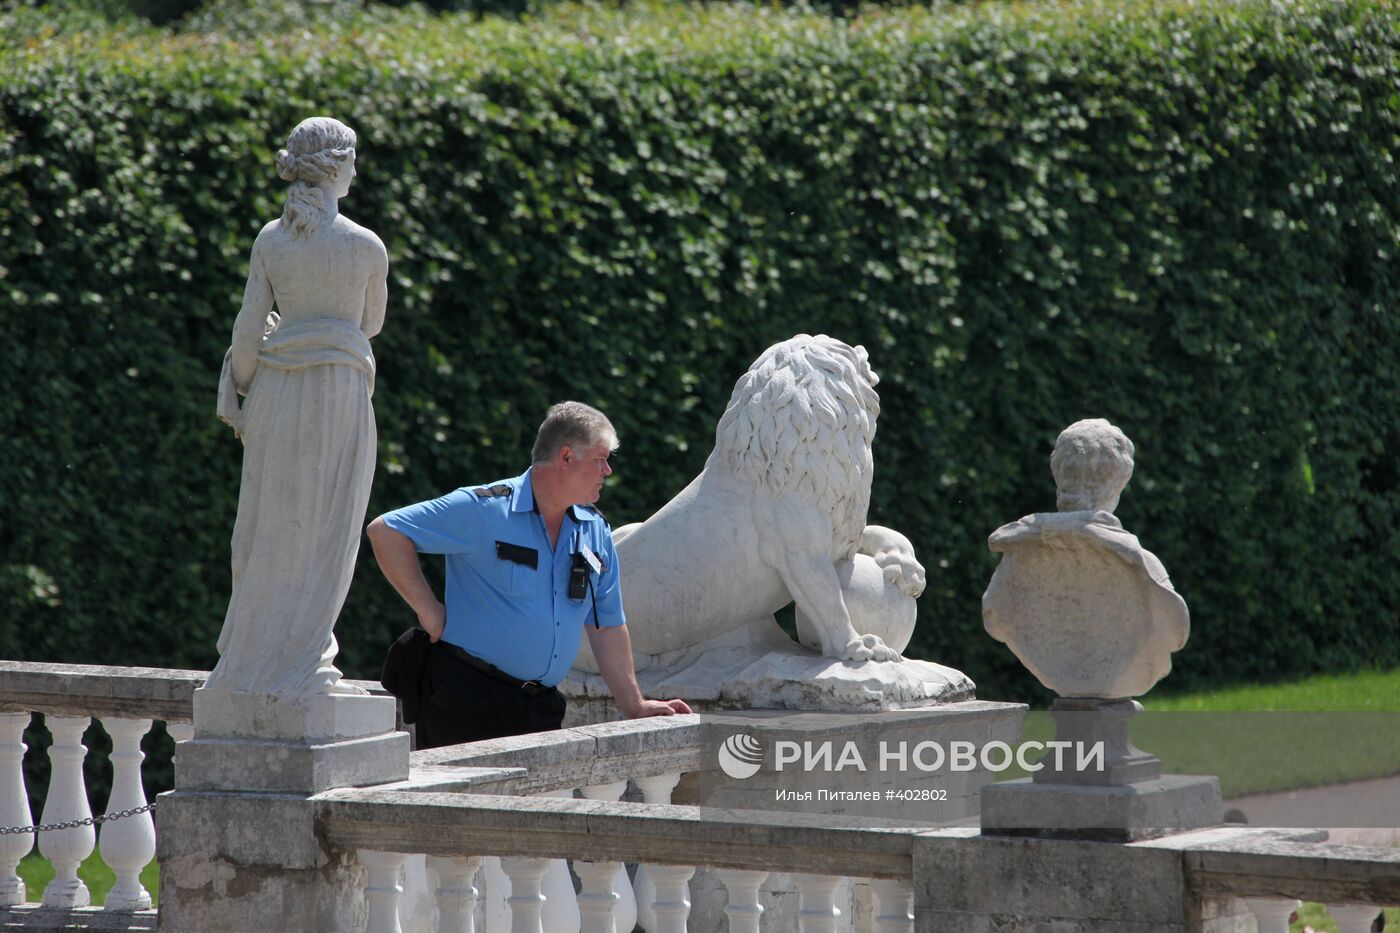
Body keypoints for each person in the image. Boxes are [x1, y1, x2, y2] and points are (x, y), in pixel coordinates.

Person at [367, 401, 691, 747]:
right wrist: (429, 612)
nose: (607, 470)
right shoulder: (483, 509)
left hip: (541, 708)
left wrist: (636, 705)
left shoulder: (596, 530)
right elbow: (386, 530)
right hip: (466, 700)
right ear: (566, 457)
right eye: (600, 459)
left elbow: (606, 624)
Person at [208, 116, 388, 697]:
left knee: (266, 525)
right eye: (354, 158)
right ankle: (304, 658)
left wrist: (239, 388)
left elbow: (247, 326)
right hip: (337, 390)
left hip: (276, 391)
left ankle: (252, 659)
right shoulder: (365, 246)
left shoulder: (271, 240)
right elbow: (370, 323)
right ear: (337, 166)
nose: (358, 168)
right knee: (324, 528)